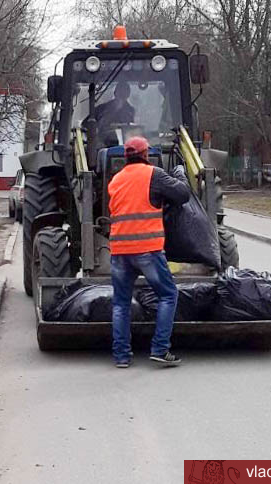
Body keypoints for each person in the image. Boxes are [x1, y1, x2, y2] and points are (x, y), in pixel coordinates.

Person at [107, 136, 190, 367]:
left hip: (119, 250)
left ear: (125, 157)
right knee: (168, 295)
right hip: (147, 249)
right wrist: (180, 174)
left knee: (121, 303)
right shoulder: (153, 174)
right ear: (146, 155)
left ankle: (122, 356)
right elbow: (182, 194)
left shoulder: (115, 181)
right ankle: (160, 349)